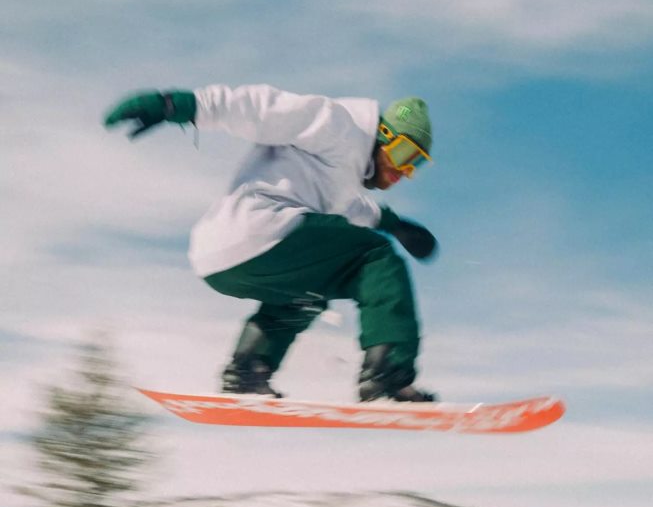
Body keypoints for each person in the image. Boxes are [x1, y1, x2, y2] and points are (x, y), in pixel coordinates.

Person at [104, 83, 439, 401]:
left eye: (417, 163)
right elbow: (264, 109)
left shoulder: (343, 173)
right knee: (374, 255)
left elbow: (352, 208)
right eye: (404, 153)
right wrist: (176, 105)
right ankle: (387, 376)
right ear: (382, 135)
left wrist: (396, 225)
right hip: (263, 228)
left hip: (221, 256)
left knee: (308, 293)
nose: (404, 170)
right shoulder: (338, 124)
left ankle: (248, 371)